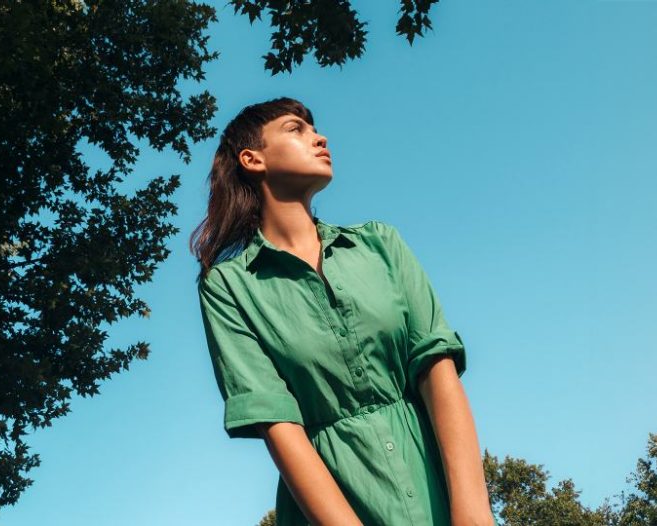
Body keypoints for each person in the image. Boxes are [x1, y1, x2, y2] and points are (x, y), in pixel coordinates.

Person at [189, 97, 494, 525]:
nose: (319, 137)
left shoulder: (380, 245)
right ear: (252, 158)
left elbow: (438, 373)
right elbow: (278, 427)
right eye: (296, 129)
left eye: (314, 128)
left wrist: (473, 516)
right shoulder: (228, 288)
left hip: (435, 491)